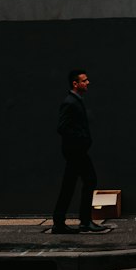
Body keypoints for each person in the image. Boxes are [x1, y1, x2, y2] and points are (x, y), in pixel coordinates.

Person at [51, 68, 113, 234]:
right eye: (84, 80)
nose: (88, 83)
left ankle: (60, 221)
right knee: (90, 180)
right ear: (75, 83)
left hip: (75, 151)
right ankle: (84, 221)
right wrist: (80, 139)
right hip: (75, 152)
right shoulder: (70, 102)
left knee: (69, 185)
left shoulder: (75, 100)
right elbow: (62, 127)